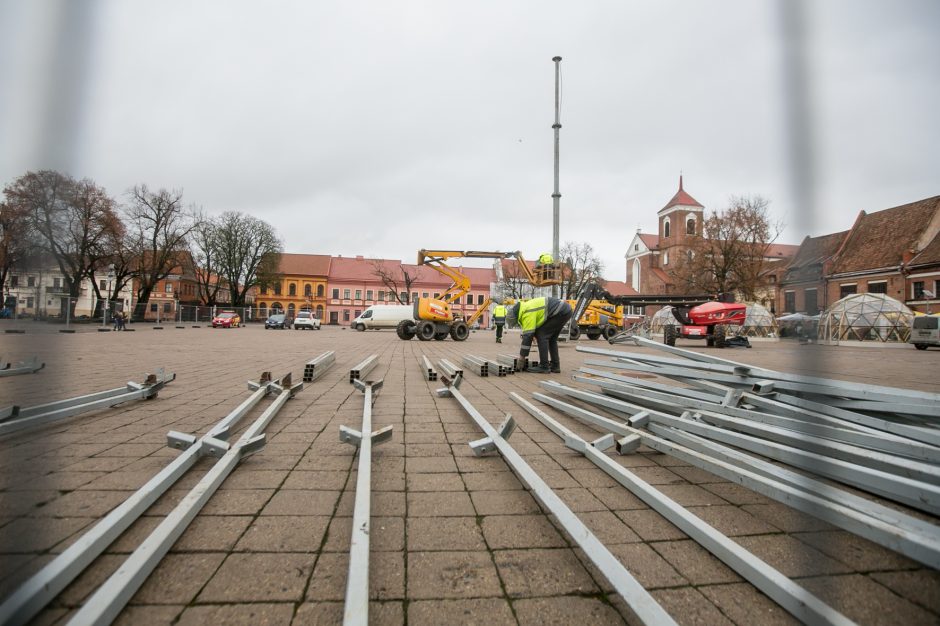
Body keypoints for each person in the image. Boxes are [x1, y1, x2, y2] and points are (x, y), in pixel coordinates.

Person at [509, 297, 572, 373]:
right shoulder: (525, 307)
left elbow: (527, 337)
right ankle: (555, 366)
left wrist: (522, 358)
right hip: (564, 310)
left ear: (516, 317)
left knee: (542, 336)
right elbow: (539, 322)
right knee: (552, 339)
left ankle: (544, 366)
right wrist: (533, 334)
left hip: (559, 311)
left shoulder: (526, 312)